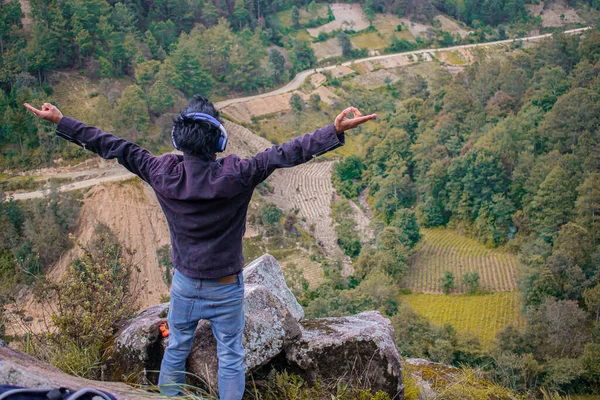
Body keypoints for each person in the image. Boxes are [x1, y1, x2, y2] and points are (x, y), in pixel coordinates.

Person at [24, 96, 376, 399]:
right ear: (219, 141)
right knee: (231, 356)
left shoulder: (161, 171)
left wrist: (61, 120)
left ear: (179, 138)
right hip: (226, 288)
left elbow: (112, 145)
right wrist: (335, 131)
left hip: (186, 285)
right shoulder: (237, 173)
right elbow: (284, 154)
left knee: (176, 350)